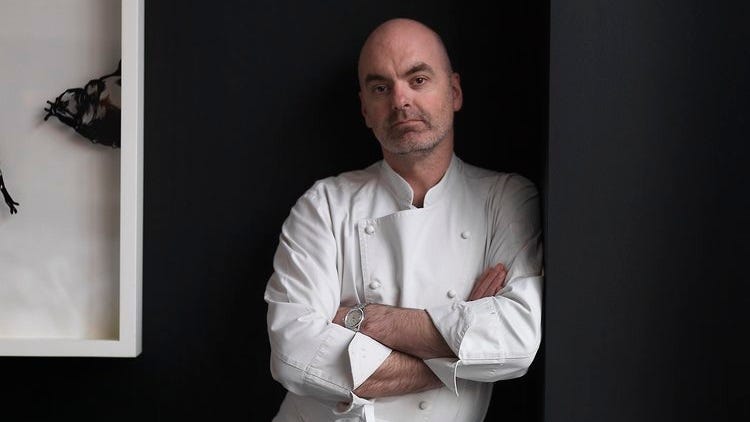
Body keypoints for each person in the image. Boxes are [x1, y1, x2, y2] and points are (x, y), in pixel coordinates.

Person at [264, 17, 543, 422]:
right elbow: (292, 355)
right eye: (381, 88)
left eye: (418, 80)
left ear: (454, 91)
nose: (400, 100)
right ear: (365, 109)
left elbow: (516, 340)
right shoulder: (324, 205)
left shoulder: (505, 198)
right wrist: (461, 351)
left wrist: (372, 322)